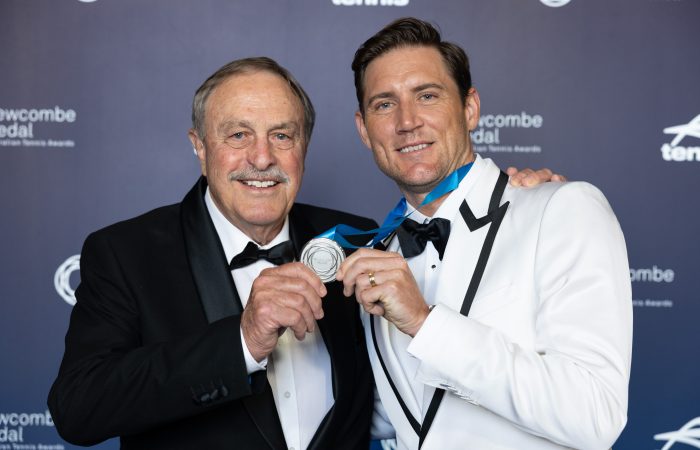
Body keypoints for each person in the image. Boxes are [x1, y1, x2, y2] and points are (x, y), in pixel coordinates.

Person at [47, 57, 377, 450]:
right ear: (200, 147)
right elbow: (78, 408)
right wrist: (242, 342)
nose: (262, 158)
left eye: (281, 135)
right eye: (238, 135)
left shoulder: (354, 238)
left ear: (303, 146)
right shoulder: (125, 253)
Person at [336, 18, 632, 450]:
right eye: (384, 104)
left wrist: (425, 323)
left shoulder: (560, 209)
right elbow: (386, 416)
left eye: (427, 96)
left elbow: (595, 414)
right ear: (364, 130)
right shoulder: (377, 254)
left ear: (470, 109)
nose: (407, 121)